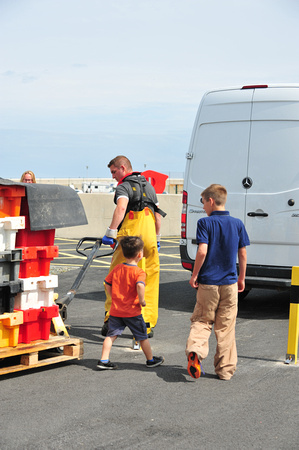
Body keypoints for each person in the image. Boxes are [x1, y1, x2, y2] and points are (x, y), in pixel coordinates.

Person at [186, 184, 250, 381]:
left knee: (202, 320)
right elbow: (243, 253)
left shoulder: (205, 223)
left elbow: (202, 251)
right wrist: (241, 278)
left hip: (208, 284)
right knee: (226, 328)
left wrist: (194, 274)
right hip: (230, 283)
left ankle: (196, 351)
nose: (203, 206)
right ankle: (225, 370)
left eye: (203, 201)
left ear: (211, 201)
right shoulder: (237, 223)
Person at [101, 155, 166, 338]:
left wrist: (111, 231)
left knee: (115, 279)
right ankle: (146, 322)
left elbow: (122, 208)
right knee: (148, 280)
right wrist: (157, 238)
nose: (113, 176)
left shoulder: (123, 186)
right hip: (150, 240)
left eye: (114, 172)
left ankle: (110, 319)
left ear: (123, 168)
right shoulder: (149, 187)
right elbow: (158, 216)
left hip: (130, 240)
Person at [97, 236, 165, 370]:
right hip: (132, 311)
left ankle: (103, 360)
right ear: (140, 254)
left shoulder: (117, 268)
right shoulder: (139, 272)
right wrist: (142, 300)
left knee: (111, 335)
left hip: (116, 310)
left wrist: (113, 297)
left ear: (123, 253)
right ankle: (150, 360)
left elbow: (107, 283)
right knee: (142, 336)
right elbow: (140, 286)